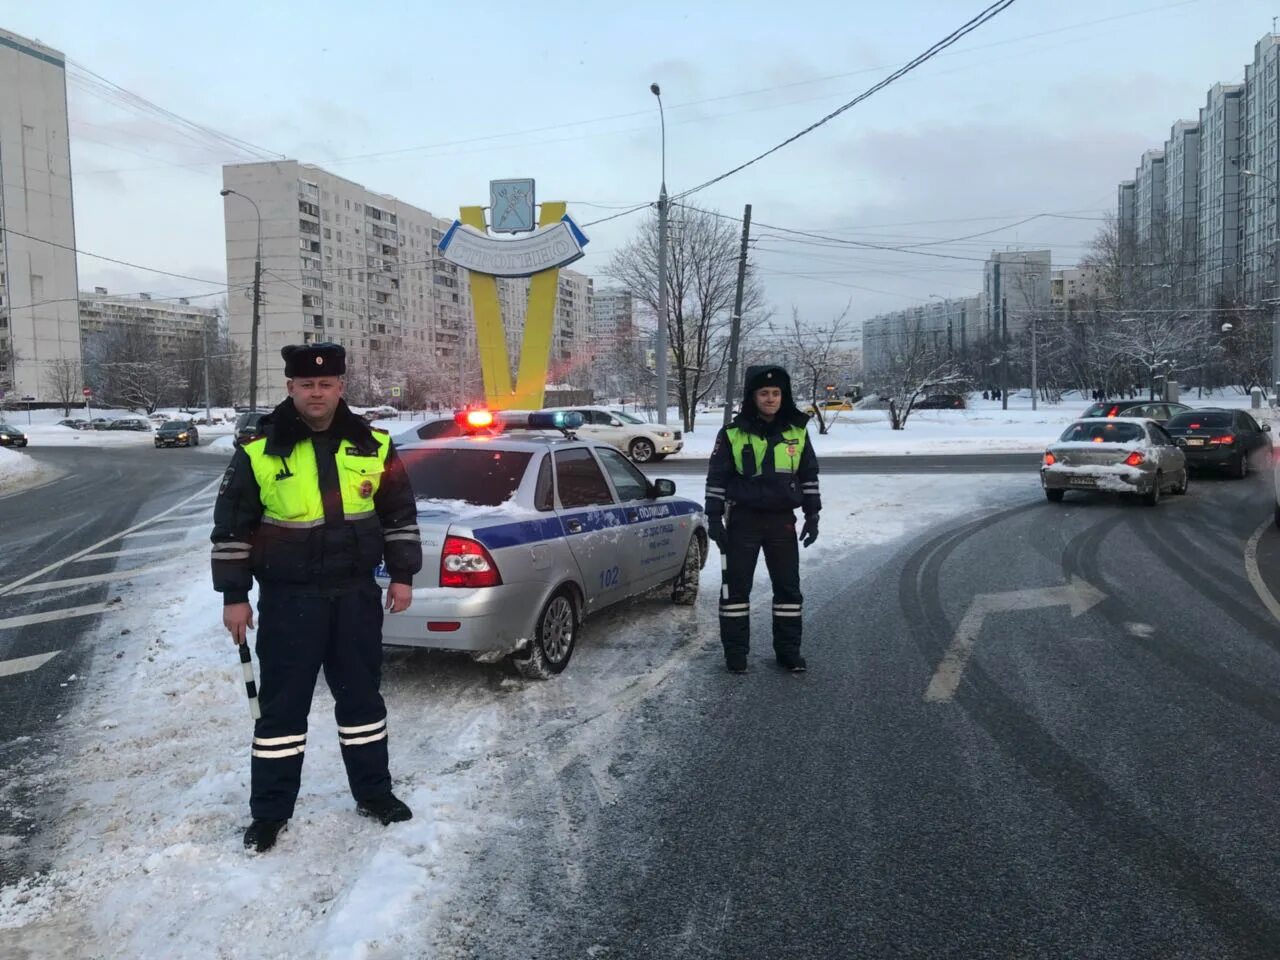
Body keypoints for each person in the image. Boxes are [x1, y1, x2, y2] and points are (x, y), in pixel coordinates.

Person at [211, 343, 423, 853]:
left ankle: (374, 794)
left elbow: (399, 515)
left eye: (326, 384)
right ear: (290, 388)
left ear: (341, 387)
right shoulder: (260, 450)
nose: (316, 393)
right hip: (289, 602)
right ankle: (270, 813)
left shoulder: (374, 443)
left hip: (354, 597)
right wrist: (234, 596)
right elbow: (231, 529)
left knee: (363, 703)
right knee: (281, 712)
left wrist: (402, 576)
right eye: (306, 384)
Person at [704, 365, 821, 674]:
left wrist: (813, 515)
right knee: (735, 591)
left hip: (782, 522)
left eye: (776, 393)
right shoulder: (732, 433)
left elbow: (808, 475)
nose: (771, 399)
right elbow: (717, 478)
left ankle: (788, 652)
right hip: (743, 520)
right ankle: (736, 654)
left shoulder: (797, 429)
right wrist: (714, 518)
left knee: (788, 590)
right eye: (764, 393)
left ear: (784, 395)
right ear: (752, 397)